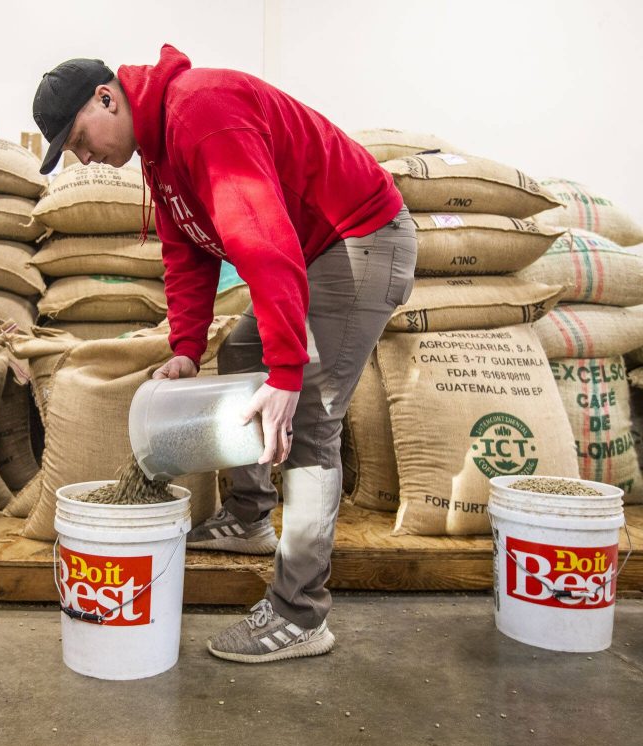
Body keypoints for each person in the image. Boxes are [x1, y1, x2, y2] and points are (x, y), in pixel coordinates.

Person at [32, 45, 416, 663]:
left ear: (106, 97)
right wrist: (185, 349)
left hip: (359, 238)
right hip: (311, 248)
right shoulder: (156, 150)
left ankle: (300, 613)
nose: (84, 157)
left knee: (309, 415)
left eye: (79, 138)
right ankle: (249, 516)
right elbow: (188, 248)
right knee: (239, 354)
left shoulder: (200, 112)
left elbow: (260, 239)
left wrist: (289, 372)